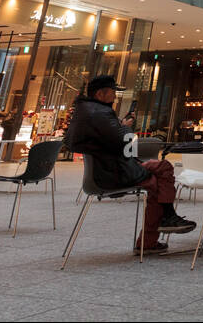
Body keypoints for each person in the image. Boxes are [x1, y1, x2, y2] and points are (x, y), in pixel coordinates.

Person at [65, 75, 195, 252]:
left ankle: (164, 221)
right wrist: (125, 126)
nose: (115, 97)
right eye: (113, 93)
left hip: (109, 167)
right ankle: (157, 231)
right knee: (159, 178)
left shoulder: (85, 111)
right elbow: (126, 144)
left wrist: (118, 125)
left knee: (162, 168)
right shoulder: (100, 113)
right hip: (113, 172)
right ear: (100, 94)